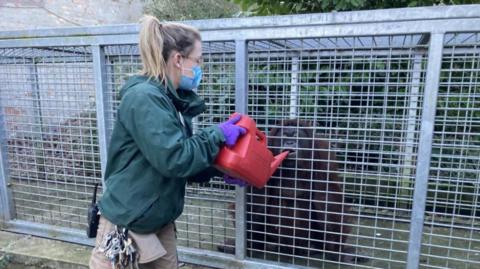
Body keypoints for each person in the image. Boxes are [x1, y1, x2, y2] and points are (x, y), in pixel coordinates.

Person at [89, 15, 247, 269]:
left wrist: (218, 168)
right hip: (126, 224)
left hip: (157, 221)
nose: (200, 67)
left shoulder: (167, 100)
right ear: (177, 59)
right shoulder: (144, 98)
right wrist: (216, 135)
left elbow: (175, 161)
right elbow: (175, 158)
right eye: (198, 60)